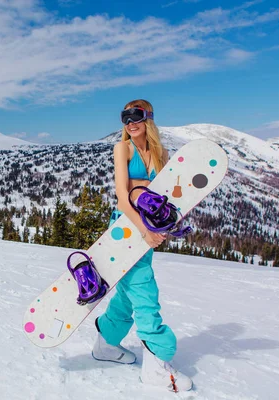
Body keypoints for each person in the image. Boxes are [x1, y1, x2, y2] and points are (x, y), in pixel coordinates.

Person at [91, 99, 193, 392]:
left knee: (129, 289)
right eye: (125, 117)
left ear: (148, 118)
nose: (130, 123)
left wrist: (161, 228)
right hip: (125, 226)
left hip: (147, 226)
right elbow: (123, 197)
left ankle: (106, 343)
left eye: (136, 116)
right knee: (144, 289)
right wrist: (145, 232)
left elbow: (166, 196)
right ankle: (156, 365)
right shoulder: (122, 148)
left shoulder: (162, 153)